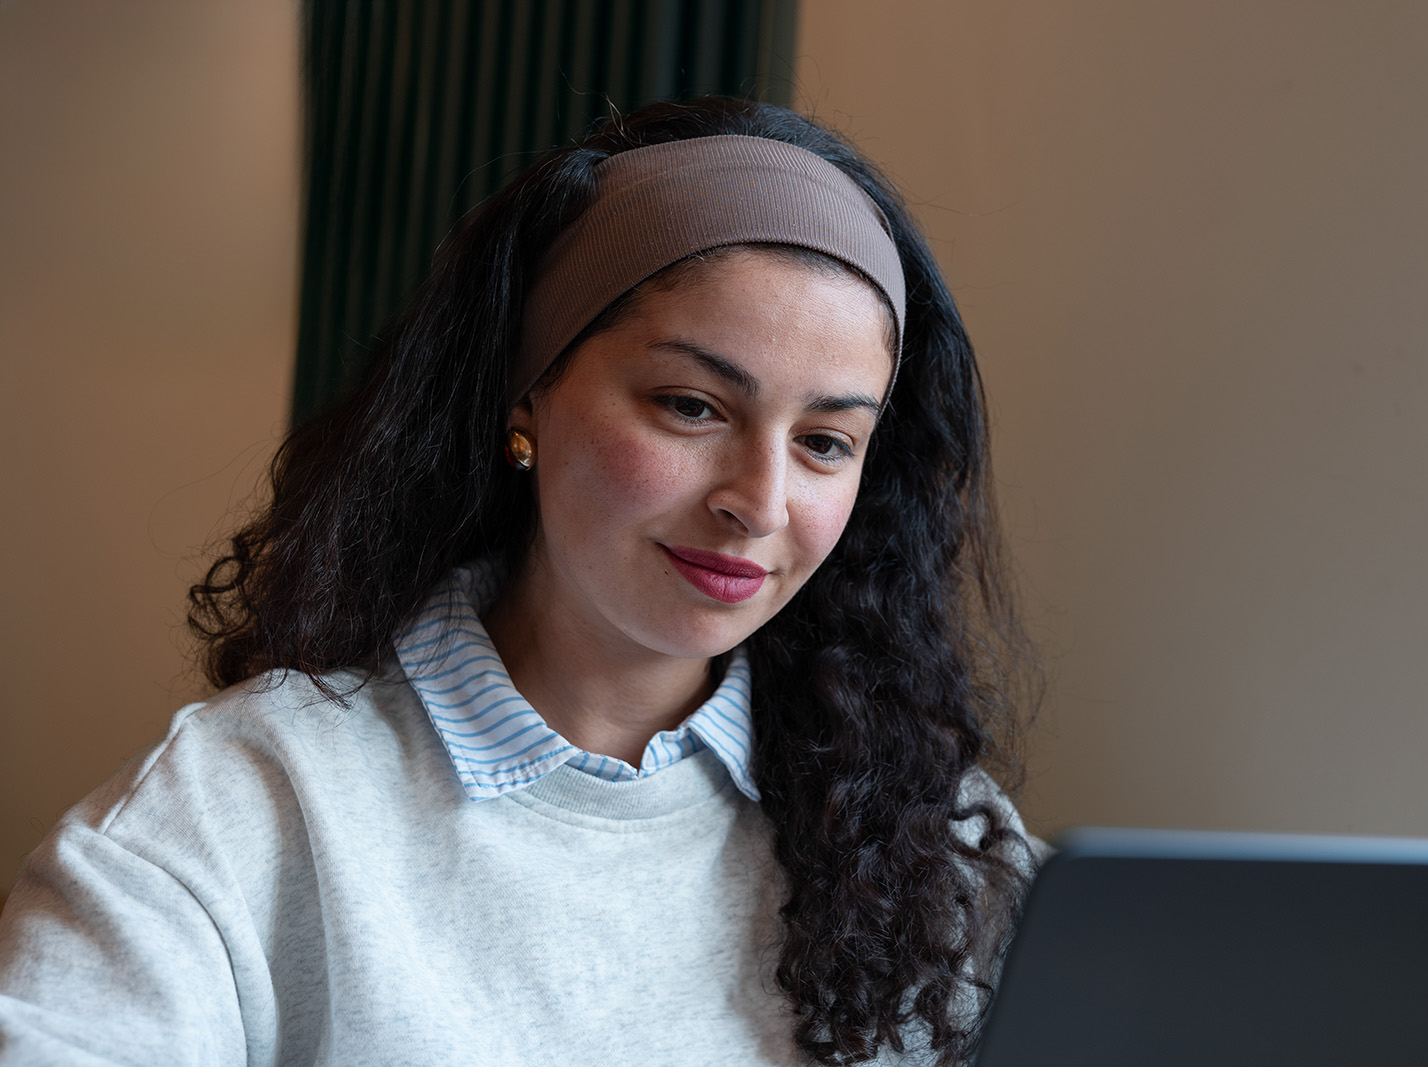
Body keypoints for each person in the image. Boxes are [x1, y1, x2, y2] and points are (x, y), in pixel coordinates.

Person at [0, 96, 1040, 1066]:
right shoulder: (241, 808)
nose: (759, 501)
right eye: (689, 405)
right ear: (527, 393)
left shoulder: (932, 840)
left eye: (824, 440)